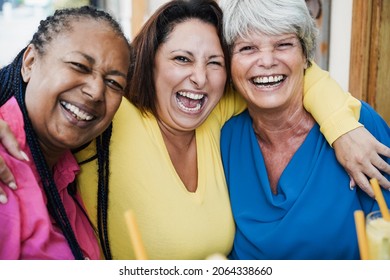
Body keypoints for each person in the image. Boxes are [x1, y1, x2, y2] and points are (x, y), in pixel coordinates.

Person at [0, 0, 389, 260]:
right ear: (148, 64)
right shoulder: (113, 109)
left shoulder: (218, 114)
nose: (199, 79)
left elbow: (289, 77)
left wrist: (342, 126)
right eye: (181, 59)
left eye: (214, 63)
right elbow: (49, 91)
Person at [218, 0, 390, 259]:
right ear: (229, 65)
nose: (266, 61)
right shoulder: (224, 136)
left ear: (306, 56)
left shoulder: (358, 127)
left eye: (283, 44)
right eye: (248, 48)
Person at [0, 6, 131, 259]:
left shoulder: (66, 174)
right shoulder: (4, 170)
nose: (96, 91)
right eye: (79, 65)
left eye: (114, 83)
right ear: (30, 62)